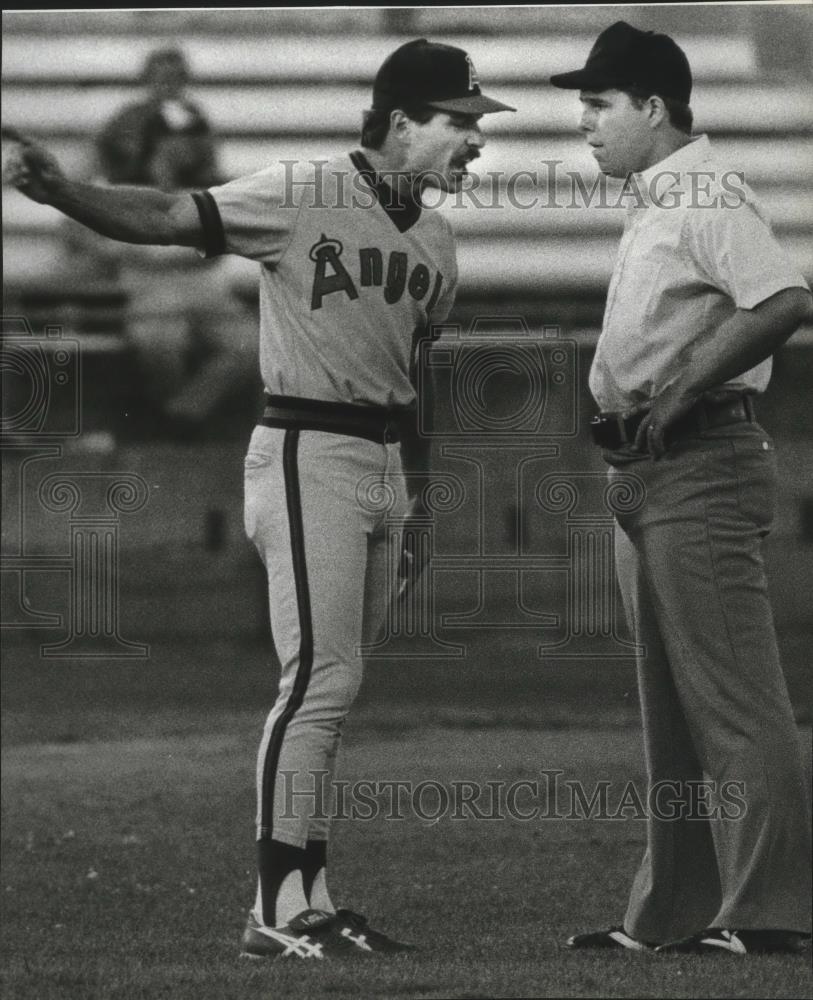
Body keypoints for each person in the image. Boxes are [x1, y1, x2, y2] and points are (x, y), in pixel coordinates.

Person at [5, 38, 514, 958]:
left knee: (336, 685)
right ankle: (276, 908)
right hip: (306, 444)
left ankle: (309, 895)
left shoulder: (437, 239)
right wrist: (59, 192)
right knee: (315, 680)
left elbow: (416, 377)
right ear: (403, 123)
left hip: (385, 463)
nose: (475, 143)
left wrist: (424, 502)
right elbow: (166, 215)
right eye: (462, 123)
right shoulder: (302, 190)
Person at [550, 21, 812, 956]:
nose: (583, 121)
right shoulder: (661, 195)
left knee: (734, 698)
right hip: (650, 468)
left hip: (697, 460)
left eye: (597, 103)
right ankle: (673, 916)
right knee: (670, 707)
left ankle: (772, 913)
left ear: (652, 107)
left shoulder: (699, 190)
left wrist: (687, 384)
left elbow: (783, 299)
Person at [97, 45, 255, 431]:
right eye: (161, 141)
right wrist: (123, 249)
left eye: (181, 142)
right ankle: (177, 417)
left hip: (201, 282)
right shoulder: (123, 174)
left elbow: (220, 242)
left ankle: (180, 415)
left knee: (254, 346)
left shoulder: (201, 165)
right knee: (159, 343)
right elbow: (81, 227)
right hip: (148, 281)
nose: (173, 148)